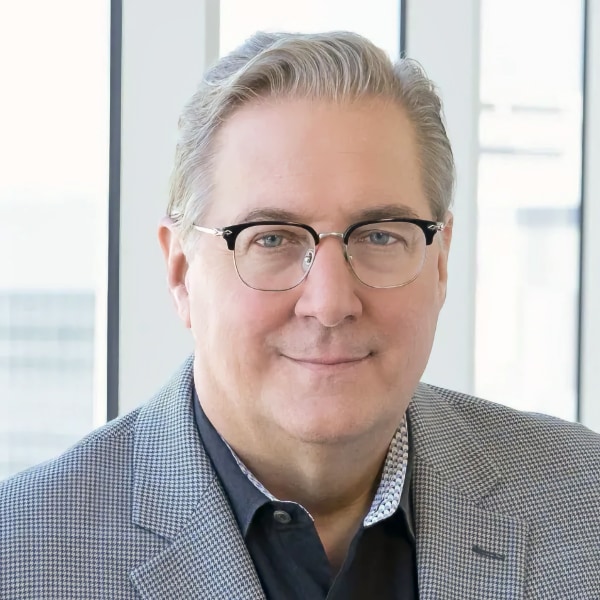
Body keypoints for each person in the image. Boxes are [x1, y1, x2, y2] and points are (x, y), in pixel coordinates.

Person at [1, 30, 599, 600]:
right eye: (272, 239)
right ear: (182, 271)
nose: (331, 302)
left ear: (440, 262)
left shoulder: (584, 506)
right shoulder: (22, 557)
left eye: (380, 236)